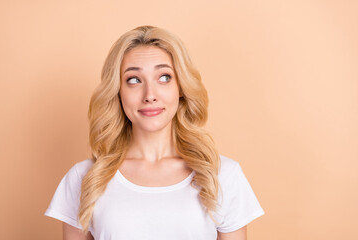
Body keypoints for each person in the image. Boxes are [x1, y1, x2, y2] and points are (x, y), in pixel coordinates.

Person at [44, 25, 265, 240]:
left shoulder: (222, 176)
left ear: (181, 88)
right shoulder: (84, 179)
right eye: (134, 80)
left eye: (164, 77)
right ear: (118, 92)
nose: (150, 94)